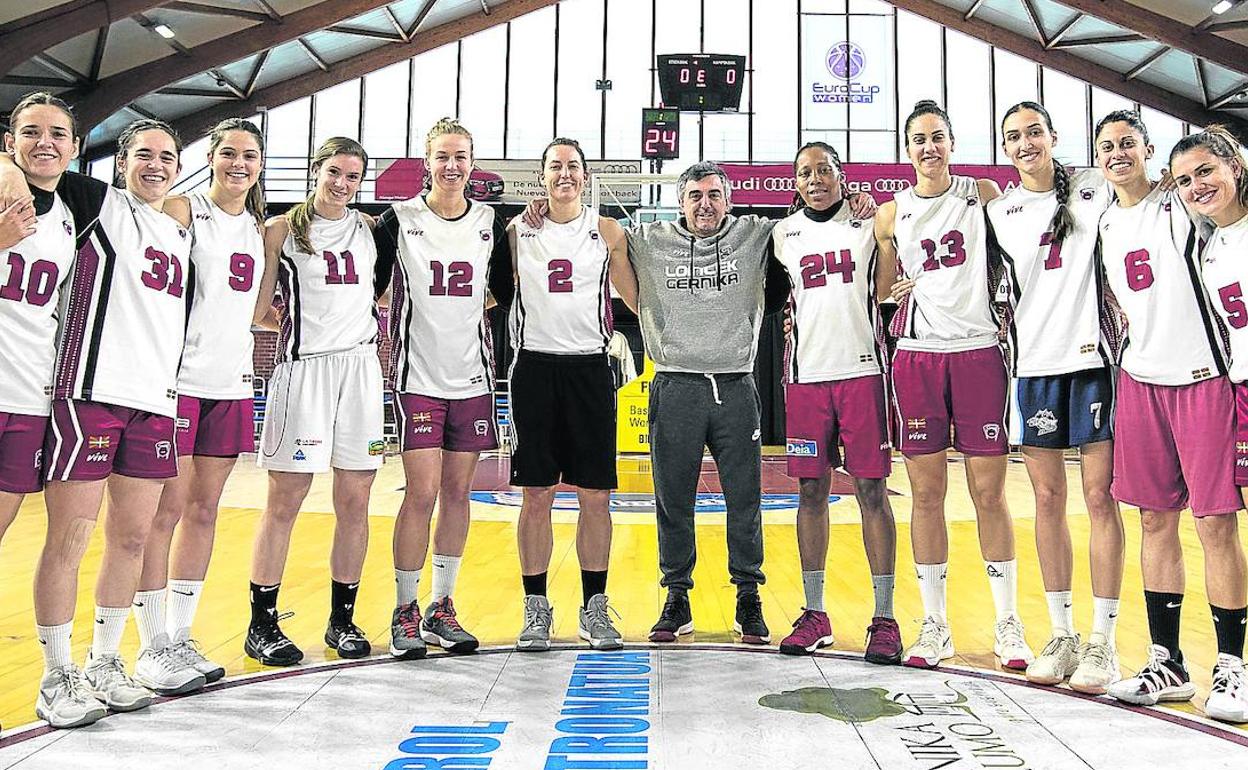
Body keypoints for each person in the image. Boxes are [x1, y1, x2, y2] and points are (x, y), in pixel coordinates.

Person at [0, 114, 196, 718]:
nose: (155, 164)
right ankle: (56, 674)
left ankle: (105, 661)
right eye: (142, 153)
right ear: (118, 160)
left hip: (156, 402)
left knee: (133, 538)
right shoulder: (92, 203)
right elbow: (28, 164)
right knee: (72, 539)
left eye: (167, 156)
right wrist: (11, 155)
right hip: (88, 395)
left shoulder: (182, 233)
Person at [879, 100, 1033, 671]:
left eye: (938, 137)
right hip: (918, 358)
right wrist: (889, 293)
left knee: (989, 494)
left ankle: (1008, 623)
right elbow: (881, 287)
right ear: (907, 148)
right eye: (918, 139)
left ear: (953, 142)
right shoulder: (890, 215)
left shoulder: (983, 194)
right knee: (925, 494)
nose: (928, 147)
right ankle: (935, 623)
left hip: (978, 352)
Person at [1111, 122, 1248, 722]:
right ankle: (1167, 661)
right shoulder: (1101, 216)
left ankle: (1232, 666)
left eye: (1206, 172)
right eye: (1188, 177)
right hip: (1141, 381)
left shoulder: (1190, 218)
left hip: (1206, 381)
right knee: (1154, 520)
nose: (1197, 185)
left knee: (1216, 524)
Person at [987, 101, 1124, 693]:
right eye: (1013, 136)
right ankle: (1062, 633)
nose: (1025, 144)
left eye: (1034, 132)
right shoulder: (999, 210)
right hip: (1035, 366)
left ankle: (1103, 641)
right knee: (1046, 497)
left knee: (1099, 497)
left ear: (1054, 135)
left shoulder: (1094, 185)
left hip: (1094, 360)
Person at [132, 118, 271, 687]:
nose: (240, 163)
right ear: (211, 157)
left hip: (232, 383)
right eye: (230, 153)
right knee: (164, 511)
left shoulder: (259, 228)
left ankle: (182, 634)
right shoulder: (184, 212)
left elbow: (251, 307)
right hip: (178, 381)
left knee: (204, 512)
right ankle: (151, 642)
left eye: (251, 156)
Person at [372, 118, 513, 659]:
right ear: (425, 161)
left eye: (461, 156)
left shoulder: (489, 222)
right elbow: (374, 289)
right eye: (442, 156)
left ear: (472, 162)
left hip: (473, 377)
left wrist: (461, 322)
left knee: (459, 494)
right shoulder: (396, 221)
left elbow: (500, 292)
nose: (452, 166)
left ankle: (441, 606)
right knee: (422, 493)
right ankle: (404, 608)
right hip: (418, 379)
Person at [245, 137, 384, 666]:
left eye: (352, 176)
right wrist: (298, 331)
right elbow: (259, 309)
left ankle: (342, 621)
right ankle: (262, 624)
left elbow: (386, 293)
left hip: (361, 372)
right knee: (287, 499)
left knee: (355, 499)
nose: (342, 183)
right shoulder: (280, 229)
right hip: (304, 373)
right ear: (315, 171)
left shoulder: (370, 230)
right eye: (334, 172)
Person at [769, 141, 902, 663]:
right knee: (810, 491)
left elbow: (891, 279)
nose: (816, 178)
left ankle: (885, 617)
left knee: (872, 490)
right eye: (805, 171)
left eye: (825, 169)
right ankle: (815, 611)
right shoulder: (783, 235)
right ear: (795, 183)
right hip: (806, 377)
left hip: (863, 371)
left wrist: (873, 206)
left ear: (842, 176)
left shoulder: (872, 221)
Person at [0, 93, 103, 730]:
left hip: (31, 397)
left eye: (57, 133)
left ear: (73, 145)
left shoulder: (74, 214)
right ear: (10, 140)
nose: (45, 143)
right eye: (30, 132)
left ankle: (56, 677)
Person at [508, 138, 632, 652]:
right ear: (541, 177)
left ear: (586, 177)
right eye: (555, 166)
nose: (564, 174)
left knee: (595, 495)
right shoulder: (516, 231)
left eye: (573, 166)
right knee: (537, 494)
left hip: (590, 367)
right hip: (534, 367)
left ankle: (594, 606)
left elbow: (637, 296)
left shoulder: (607, 233)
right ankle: (536, 607)